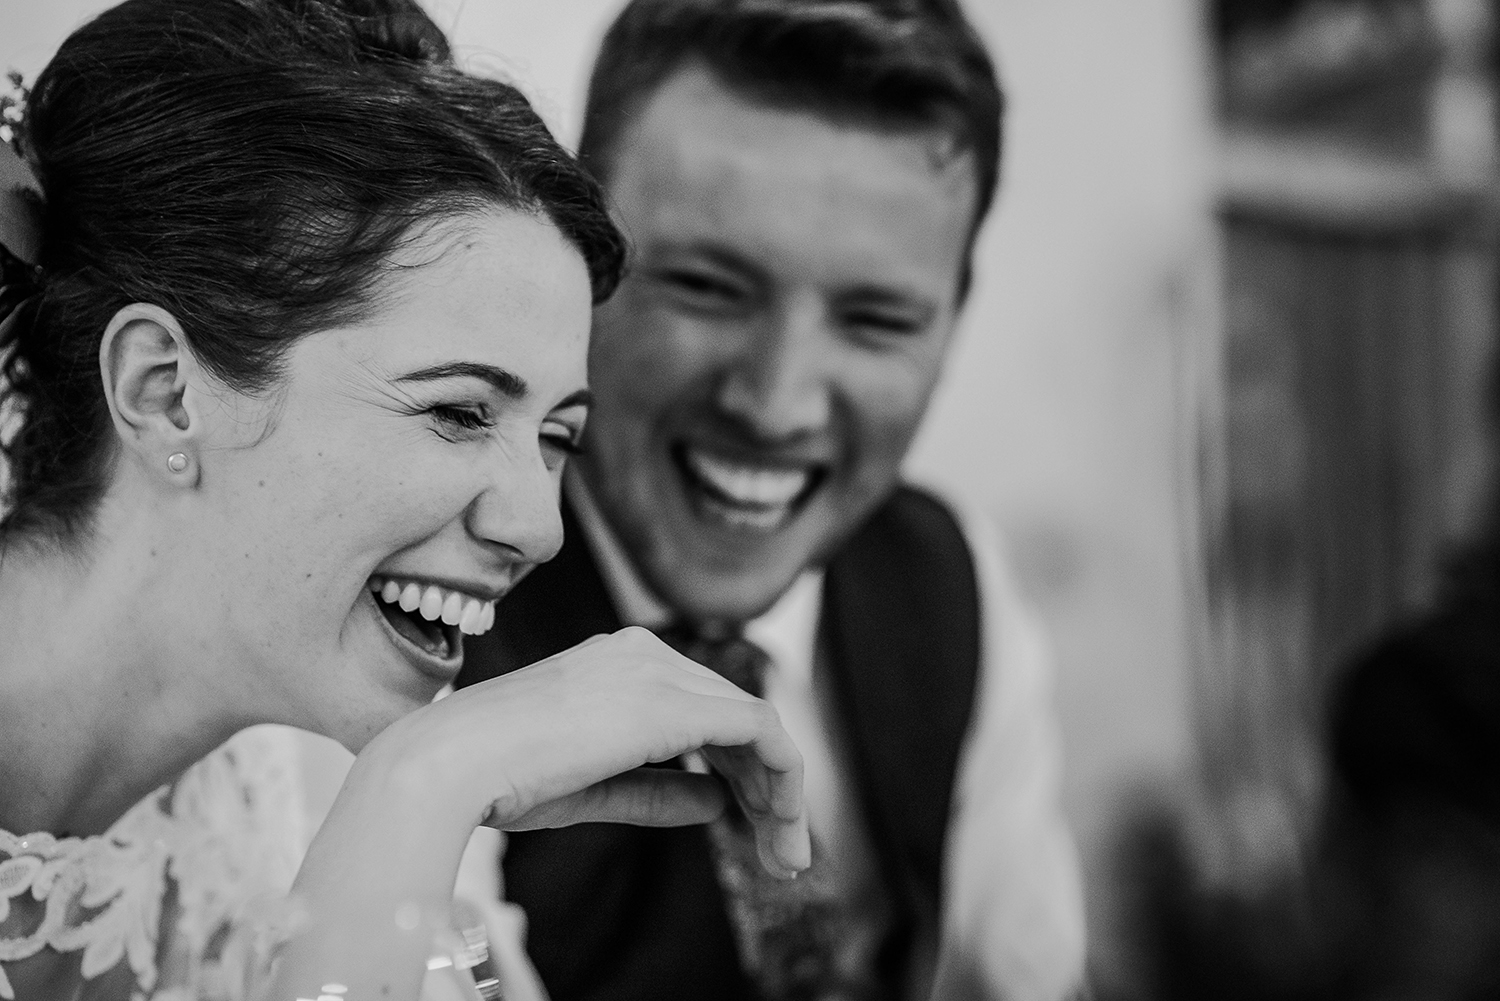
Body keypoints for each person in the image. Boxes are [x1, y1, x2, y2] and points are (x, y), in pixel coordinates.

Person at [0, 1, 812, 999]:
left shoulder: (347, 762)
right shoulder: (398, 776)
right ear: (163, 392)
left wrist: (416, 791)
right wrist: (407, 802)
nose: (539, 527)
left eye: (558, 436)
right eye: (463, 411)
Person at [454, 1, 1087, 998]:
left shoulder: (951, 582)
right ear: (573, 253)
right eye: (708, 286)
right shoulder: (429, 611)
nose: (778, 401)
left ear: (953, 323)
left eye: (876, 319)